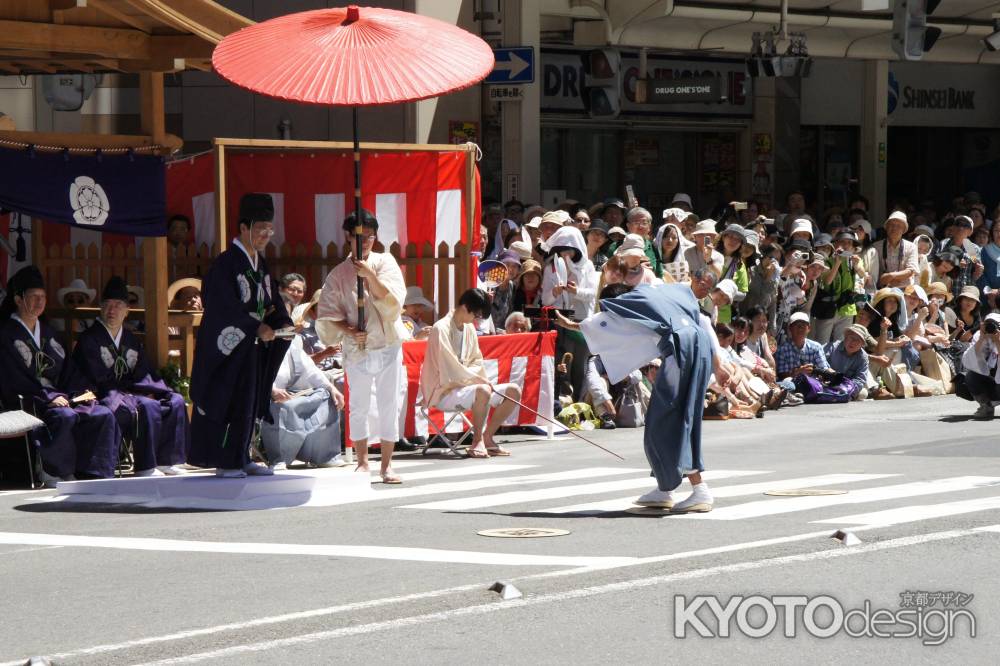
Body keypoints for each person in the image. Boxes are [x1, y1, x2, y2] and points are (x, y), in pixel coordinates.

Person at [557, 283, 716, 513]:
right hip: (697, 348)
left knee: (667, 421)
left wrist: (571, 324)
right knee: (674, 418)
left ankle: (699, 489)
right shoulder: (663, 292)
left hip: (680, 350)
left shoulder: (628, 303)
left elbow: (604, 323)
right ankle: (665, 488)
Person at [188, 193, 293, 478]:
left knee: (250, 399)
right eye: (261, 228)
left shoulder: (261, 264)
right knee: (230, 398)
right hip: (231, 346)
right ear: (244, 227)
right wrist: (256, 327)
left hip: (254, 347)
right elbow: (223, 307)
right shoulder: (226, 264)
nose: (266, 235)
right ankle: (226, 461)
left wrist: (283, 324)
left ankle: (242, 454)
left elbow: (271, 302)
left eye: (269, 229)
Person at [0, 266, 120, 487]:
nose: (39, 302)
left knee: (101, 413)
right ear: (18, 299)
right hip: (30, 399)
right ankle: (52, 470)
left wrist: (80, 392)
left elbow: (69, 370)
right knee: (64, 416)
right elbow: (11, 378)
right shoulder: (5, 334)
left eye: (43, 297)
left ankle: (93, 471)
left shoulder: (50, 333)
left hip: (60, 396)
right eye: (33, 297)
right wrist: (48, 397)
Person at [317, 209, 408, 484]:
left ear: (375, 236)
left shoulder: (385, 262)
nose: (363, 243)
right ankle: (362, 460)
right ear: (348, 237)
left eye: (368, 237)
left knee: (389, 402)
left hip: (387, 343)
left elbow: (394, 303)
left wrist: (370, 276)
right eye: (358, 237)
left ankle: (388, 464)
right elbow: (327, 315)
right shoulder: (337, 274)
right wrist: (348, 330)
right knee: (358, 404)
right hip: (357, 347)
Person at [72, 276, 190, 476]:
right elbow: (97, 378)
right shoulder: (89, 339)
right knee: (148, 405)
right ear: (100, 308)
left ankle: (167, 460)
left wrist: (154, 390)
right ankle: (146, 466)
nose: (112, 311)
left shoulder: (129, 339)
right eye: (107, 305)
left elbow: (143, 372)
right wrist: (131, 394)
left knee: (175, 400)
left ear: (127, 311)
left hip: (130, 392)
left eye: (118, 305)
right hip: (104, 396)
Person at [421, 288, 520, 458]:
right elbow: (449, 367)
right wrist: (475, 378)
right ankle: (477, 441)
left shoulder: (469, 329)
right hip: (443, 391)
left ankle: (487, 437)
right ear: (466, 308)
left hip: (465, 387)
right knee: (483, 389)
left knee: (513, 391)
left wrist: (475, 378)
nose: (476, 320)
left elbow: (477, 360)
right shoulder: (440, 328)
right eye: (476, 315)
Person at [262, 334, 346, 469]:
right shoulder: (260, 343)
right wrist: (272, 390)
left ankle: (325, 456)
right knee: (285, 407)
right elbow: (256, 375)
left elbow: (311, 371)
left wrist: (332, 389)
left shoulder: (292, 344)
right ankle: (279, 458)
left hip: (291, 393)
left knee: (326, 396)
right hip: (267, 394)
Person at [961, 313, 1000, 419]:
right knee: (969, 377)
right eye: (988, 324)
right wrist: (982, 338)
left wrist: (997, 341)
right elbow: (969, 360)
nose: (992, 328)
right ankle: (986, 406)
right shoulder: (979, 335)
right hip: (990, 381)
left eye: (995, 325)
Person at [775, 312, 830, 380]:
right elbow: (782, 375)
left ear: (809, 328)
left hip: (815, 386)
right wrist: (798, 372)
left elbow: (824, 369)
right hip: (792, 385)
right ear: (790, 328)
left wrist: (815, 371)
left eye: (803, 325)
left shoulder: (816, 347)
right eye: (797, 325)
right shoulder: (782, 349)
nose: (800, 328)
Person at [825, 324, 872, 400]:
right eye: (852, 338)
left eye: (858, 340)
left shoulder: (863, 357)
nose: (853, 342)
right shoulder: (832, 347)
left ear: (862, 345)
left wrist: (846, 388)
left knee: (863, 393)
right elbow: (819, 363)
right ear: (846, 337)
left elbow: (860, 380)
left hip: (846, 387)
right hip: (826, 383)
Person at [873, 211, 919, 288]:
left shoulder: (911, 247)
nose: (894, 228)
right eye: (892, 225)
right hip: (882, 290)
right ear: (886, 227)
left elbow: (911, 271)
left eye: (898, 226)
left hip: (905, 289)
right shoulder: (876, 247)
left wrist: (890, 276)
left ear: (904, 230)